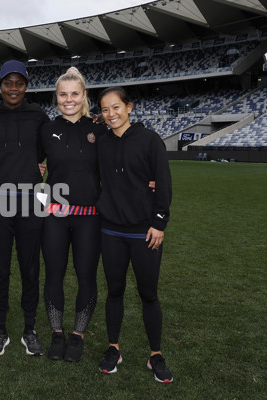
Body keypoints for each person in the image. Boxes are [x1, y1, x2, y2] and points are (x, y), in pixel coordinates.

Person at [96, 86, 173, 383]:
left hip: (145, 231)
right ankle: (114, 348)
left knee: (148, 294)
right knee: (114, 291)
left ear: (129, 107)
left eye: (116, 107)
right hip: (111, 229)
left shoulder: (150, 140)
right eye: (105, 109)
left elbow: (163, 183)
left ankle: (155, 354)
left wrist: (158, 223)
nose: (111, 114)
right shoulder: (100, 141)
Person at [0, 60, 50, 356]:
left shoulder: (38, 115)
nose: (13, 88)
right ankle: (0, 329)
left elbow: (53, 148)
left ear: (26, 86)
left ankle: (30, 328)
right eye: (8, 83)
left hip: (33, 199)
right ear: (0, 86)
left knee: (30, 267)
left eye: (19, 83)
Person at [40, 67, 107, 362]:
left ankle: (78, 335)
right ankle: (57, 333)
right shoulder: (45, 129)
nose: (69, 99)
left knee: (86, 276)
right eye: (63, 94)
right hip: (55, 215)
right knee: (53, 274)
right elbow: (26, 164)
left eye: (74, 94)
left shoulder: (98, 129)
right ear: (57, 97)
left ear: (83, 97)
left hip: (89, 217)